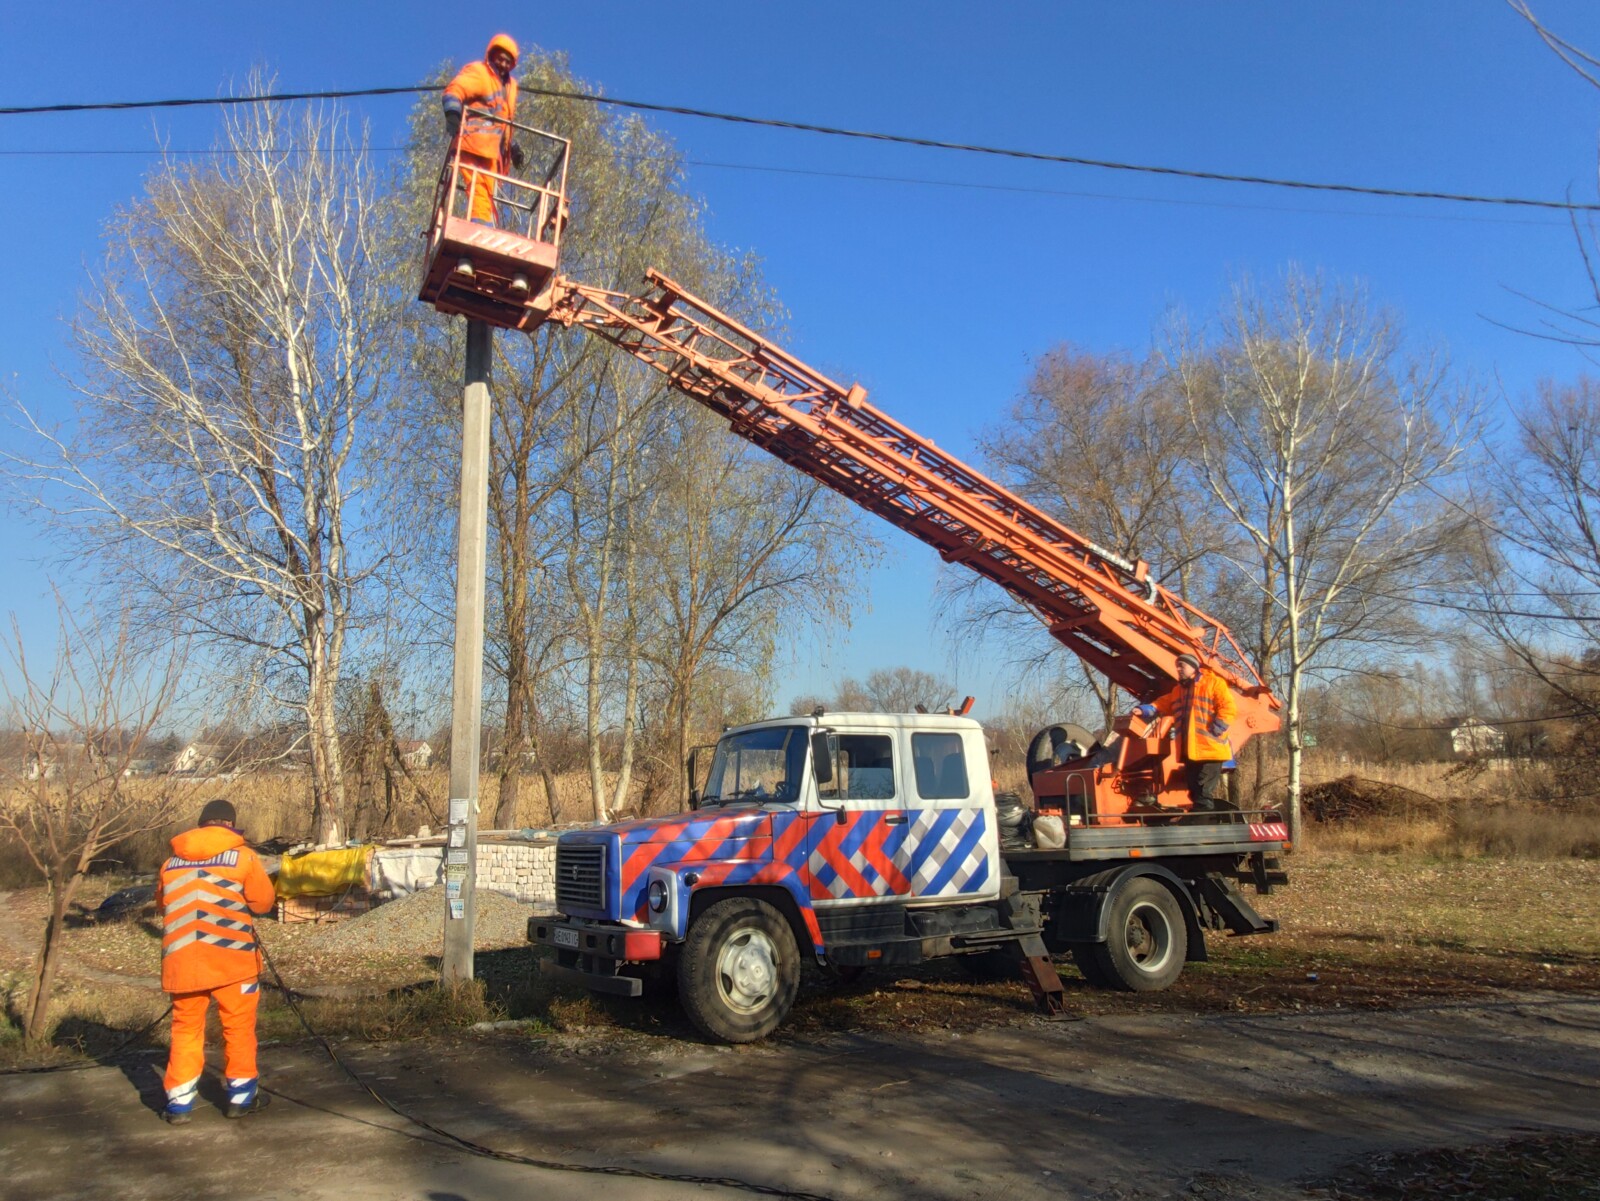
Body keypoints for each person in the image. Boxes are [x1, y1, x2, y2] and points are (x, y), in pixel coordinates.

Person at [156, 798, 276, 1124]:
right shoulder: (243, 858)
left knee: (185, 1032)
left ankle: (179, 1106)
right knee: (237, 1031)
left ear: (201, 824)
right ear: (230, 825)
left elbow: (161, 902)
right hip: (232, 962)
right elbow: (264, 903)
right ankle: (240, 1098)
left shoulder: (170, 864)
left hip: (183, 964)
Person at [1135, 652, 1237, 816]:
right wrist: (1146, 709)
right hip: (1190, 750)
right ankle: (1200, 816)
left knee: (1203, 789)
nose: (1178, 669)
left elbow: (1228, 707)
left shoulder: (1214, 683)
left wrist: (1217, 728)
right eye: (1177, 666)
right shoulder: (1178, 691)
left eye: (1181, 666)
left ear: (1194, 668)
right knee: (1193, 786)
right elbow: (1163, 703)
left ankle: (1203, 818)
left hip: (1210, 749)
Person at [442, 34, 525, 231]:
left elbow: (501, 121)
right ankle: (481, 230)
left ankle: (487, 226)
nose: (503, 64)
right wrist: (453, 114)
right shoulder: (479, 73)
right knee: (478, 188)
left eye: (508, 61)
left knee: (487, 193)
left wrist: (511, 147)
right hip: (472, 143)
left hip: (491, 152)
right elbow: (454, 91)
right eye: (500, 58)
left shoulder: (509, 87)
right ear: (491, 56)